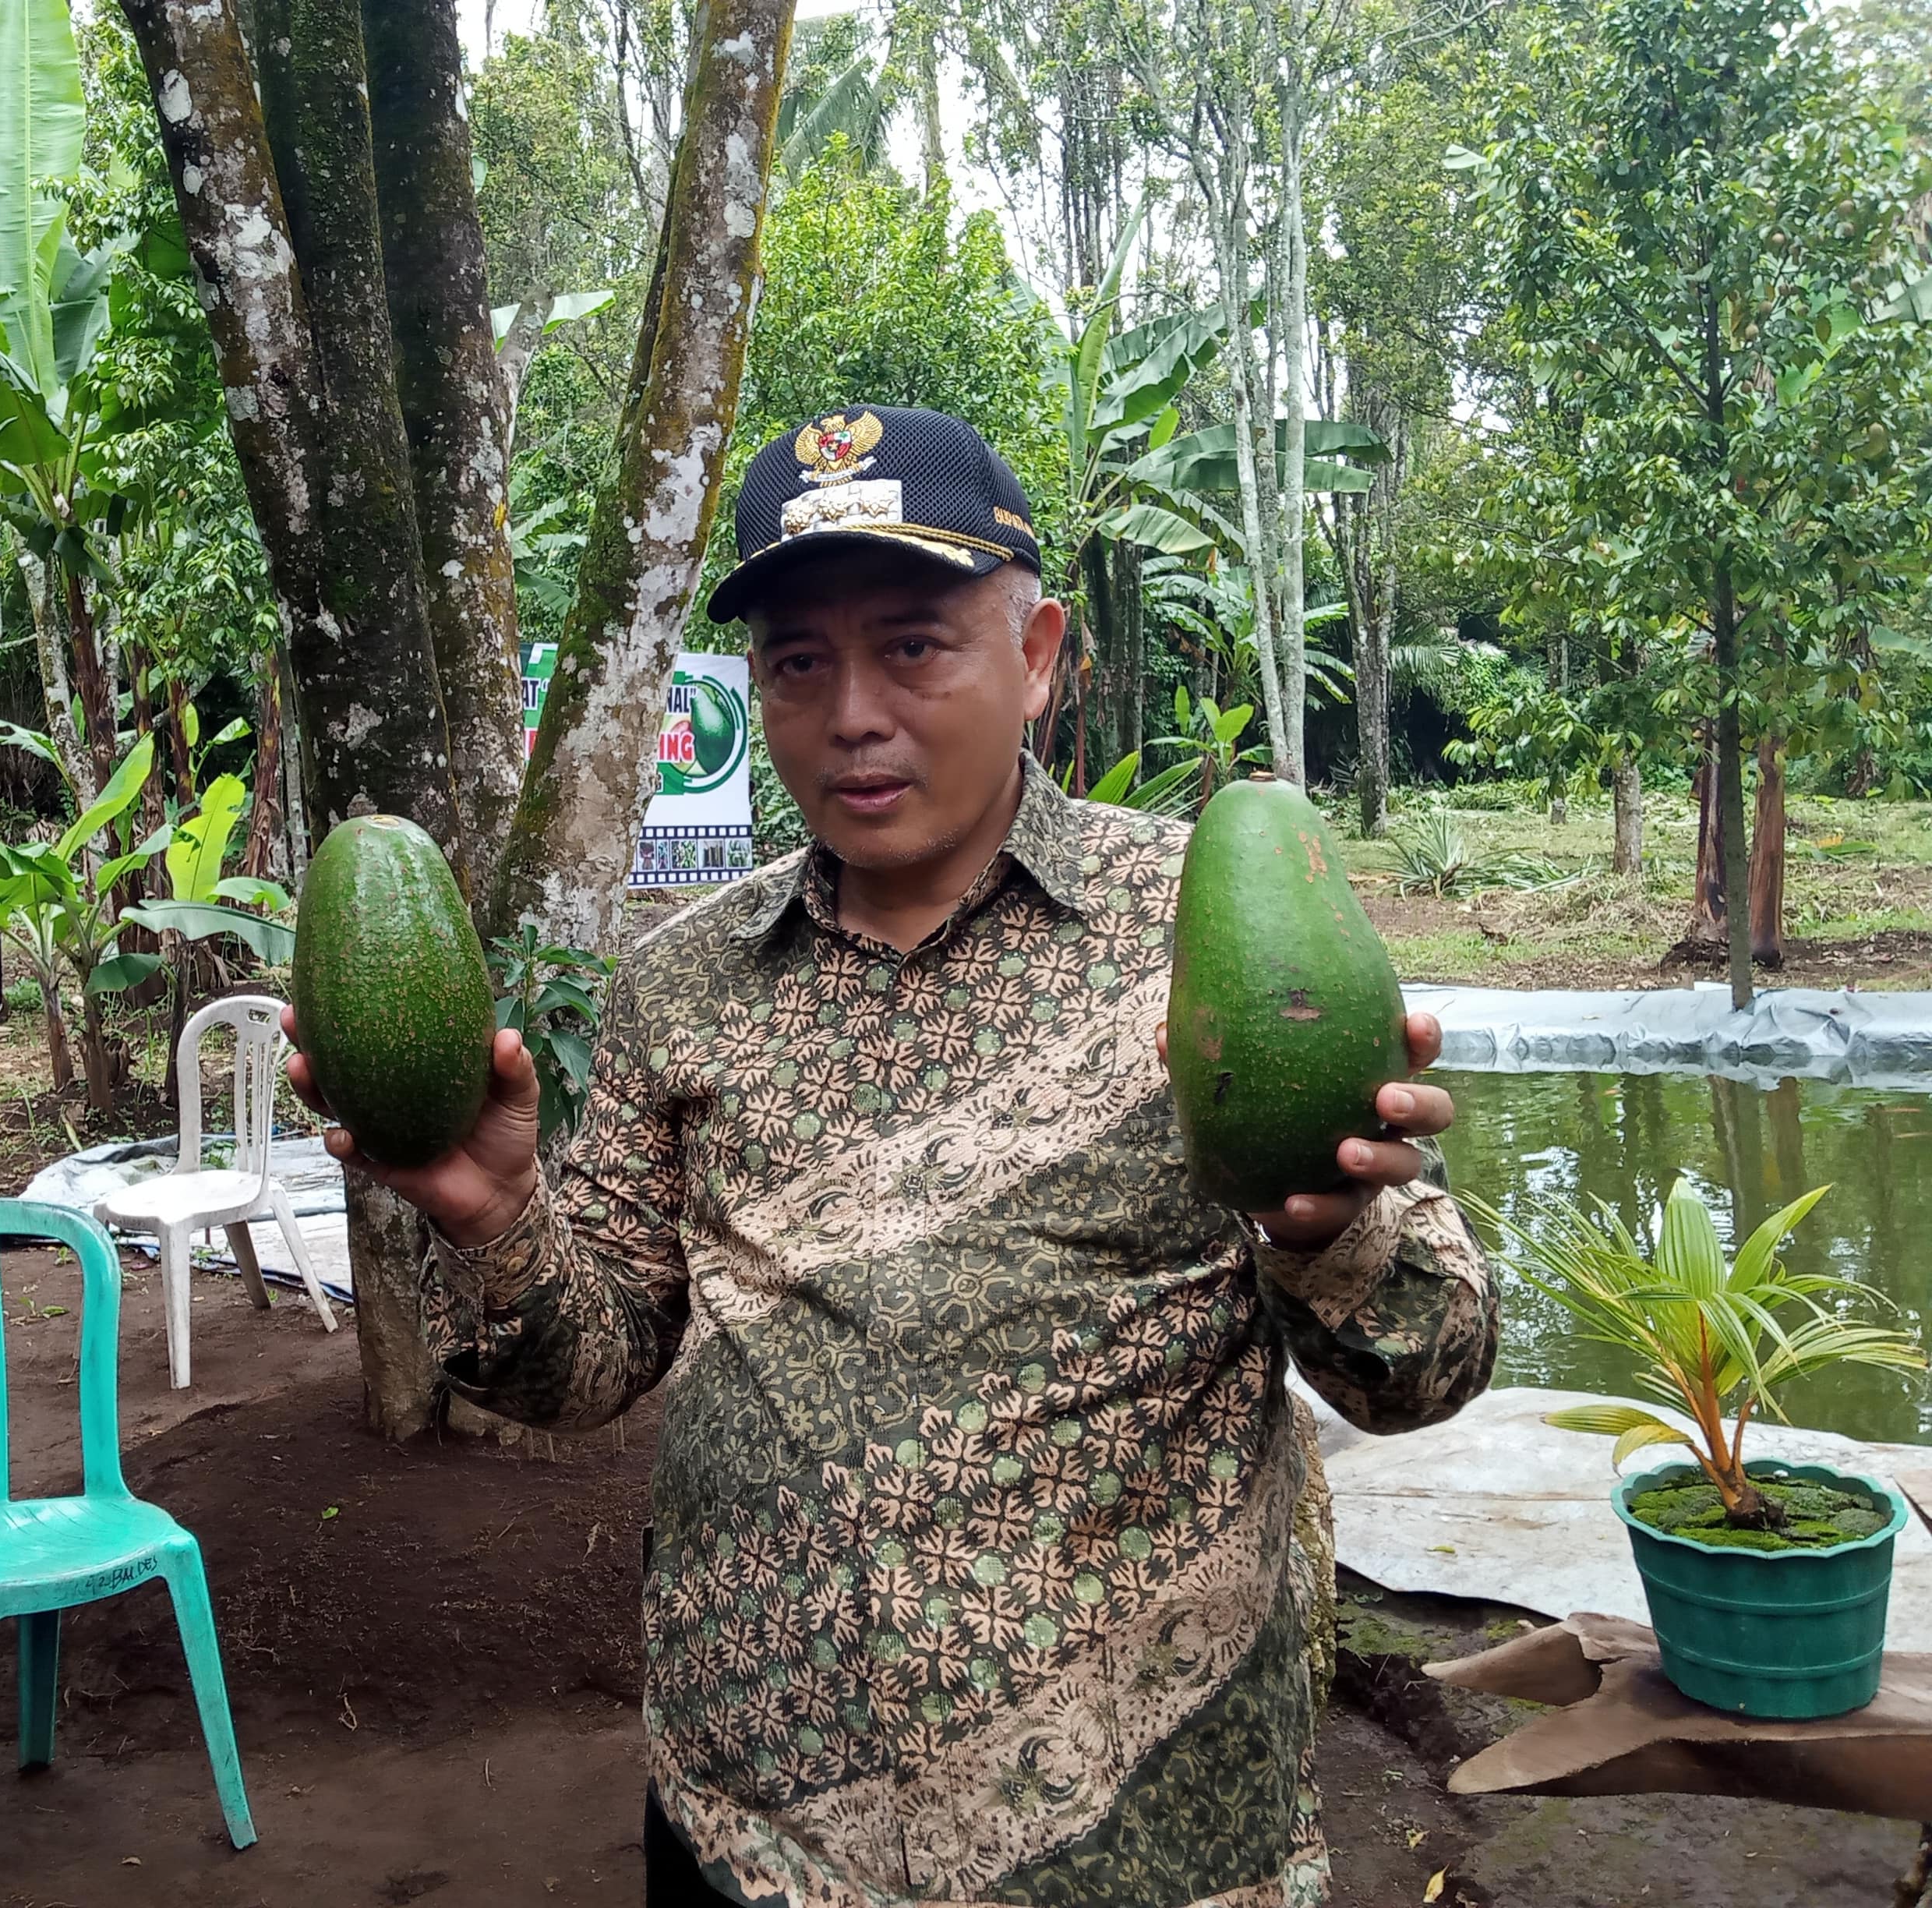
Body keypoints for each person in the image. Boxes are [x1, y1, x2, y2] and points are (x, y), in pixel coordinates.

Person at [285, 405, 1498, 1908]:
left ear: (1040, 651)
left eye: (916, 644)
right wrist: (494, 1222)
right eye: (799, 663)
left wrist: (1334, 1235)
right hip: (751, 1841)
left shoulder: (1217, 933)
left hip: (1147, 1854)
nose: (851, 711)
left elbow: (1425, 1371)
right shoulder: (682, 977)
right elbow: (587, 1371)